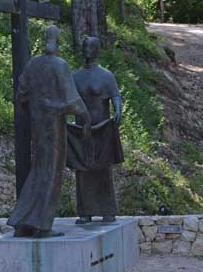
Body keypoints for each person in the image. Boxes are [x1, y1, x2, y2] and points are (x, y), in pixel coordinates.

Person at [7, 25, 91, 237]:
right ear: (58, 41)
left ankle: (23, 222)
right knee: (51, 172)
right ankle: (42, 225)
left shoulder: (32, 65)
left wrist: (35, 110)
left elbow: (21, 95)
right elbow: (72, 101)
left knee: (38, 170)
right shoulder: (59, 65)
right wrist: (85, 117)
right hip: (54, 127)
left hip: (37, 126)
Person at [67, 37, 124, 224]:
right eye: (84, 46)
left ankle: (108, 210)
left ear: (97, 50)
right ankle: (85, 211)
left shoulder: (105, 76)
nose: (87, 49)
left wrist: (118, 109)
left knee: (103, 170)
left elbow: (115, 95)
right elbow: (68, 101)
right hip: (82, 130)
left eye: (91, 46)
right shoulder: (74, 76)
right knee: (83, 172)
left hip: (102, 129)